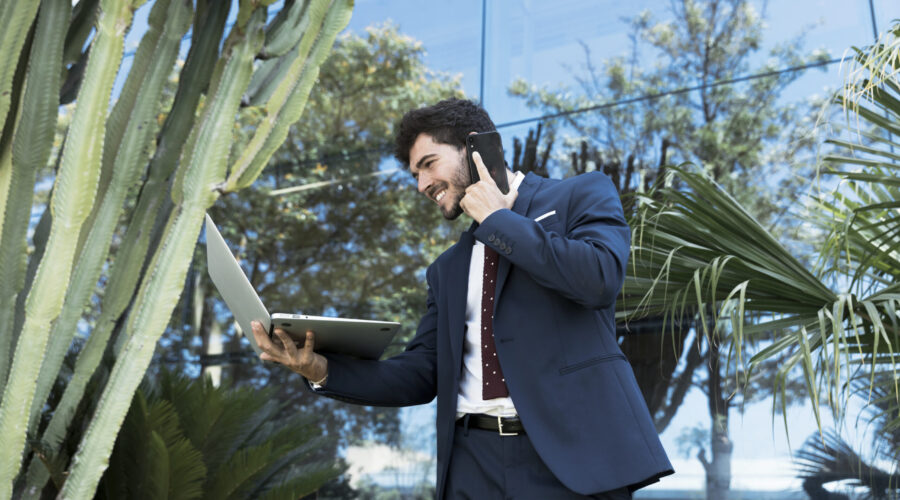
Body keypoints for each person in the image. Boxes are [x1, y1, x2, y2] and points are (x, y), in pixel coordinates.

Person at [251, 98, 673, 499]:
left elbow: (597, 280)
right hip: (472, 465)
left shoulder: (579, 195)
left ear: (475, 146)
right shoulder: (448, 269)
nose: (421, 185)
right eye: (415, 175)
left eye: (428, 165)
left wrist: (499, 221)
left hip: (572, 462)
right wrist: (321, 369)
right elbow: (421, 372)